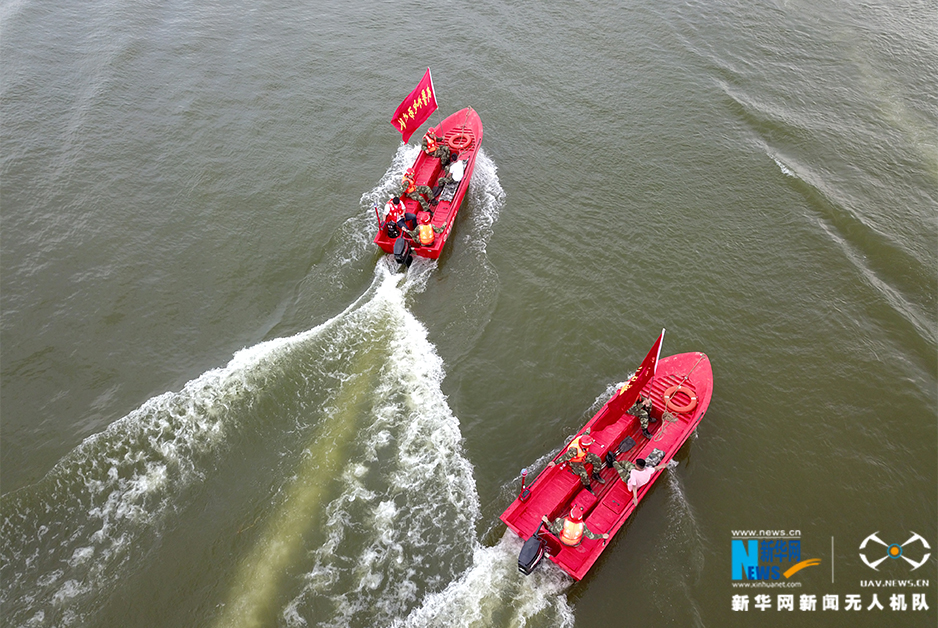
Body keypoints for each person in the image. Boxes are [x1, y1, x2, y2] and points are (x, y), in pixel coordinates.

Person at [547, 428, 605, 492]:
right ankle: (587, 486)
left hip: (582, 456)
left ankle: (595, 475)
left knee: (597, 459)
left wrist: (588, 431)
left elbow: (585, 434)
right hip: (575, 461)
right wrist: (555, 463)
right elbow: (564, 457)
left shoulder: (583, 438)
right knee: (584, 474)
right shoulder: (573, 450)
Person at [541, 505, 608, 547]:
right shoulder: (582, 525)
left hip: (563, 541)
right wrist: (602, 536)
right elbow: (591, 536)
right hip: (575, 544)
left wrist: (547, 521)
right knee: (582, 533)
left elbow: (553, 529)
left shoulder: (563, 522)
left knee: (557, 519)